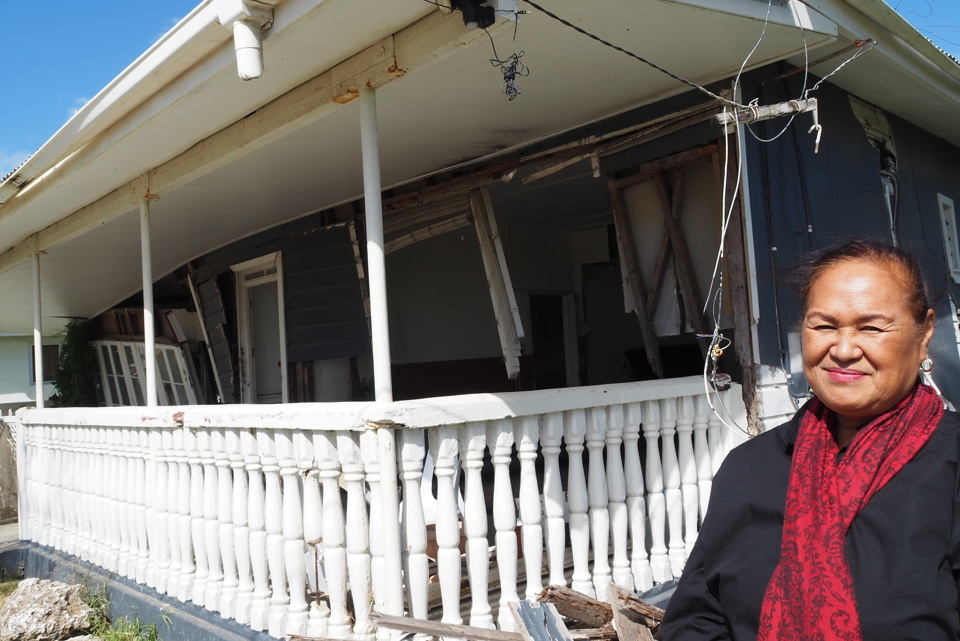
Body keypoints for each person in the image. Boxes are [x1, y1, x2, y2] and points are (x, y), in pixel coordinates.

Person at [660, 239, 960, 641]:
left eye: (871, 327)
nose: (844, 349)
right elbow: (695, 615)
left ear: (923, 334)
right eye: (824, 325)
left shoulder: (949, 465)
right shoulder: (749, 469)